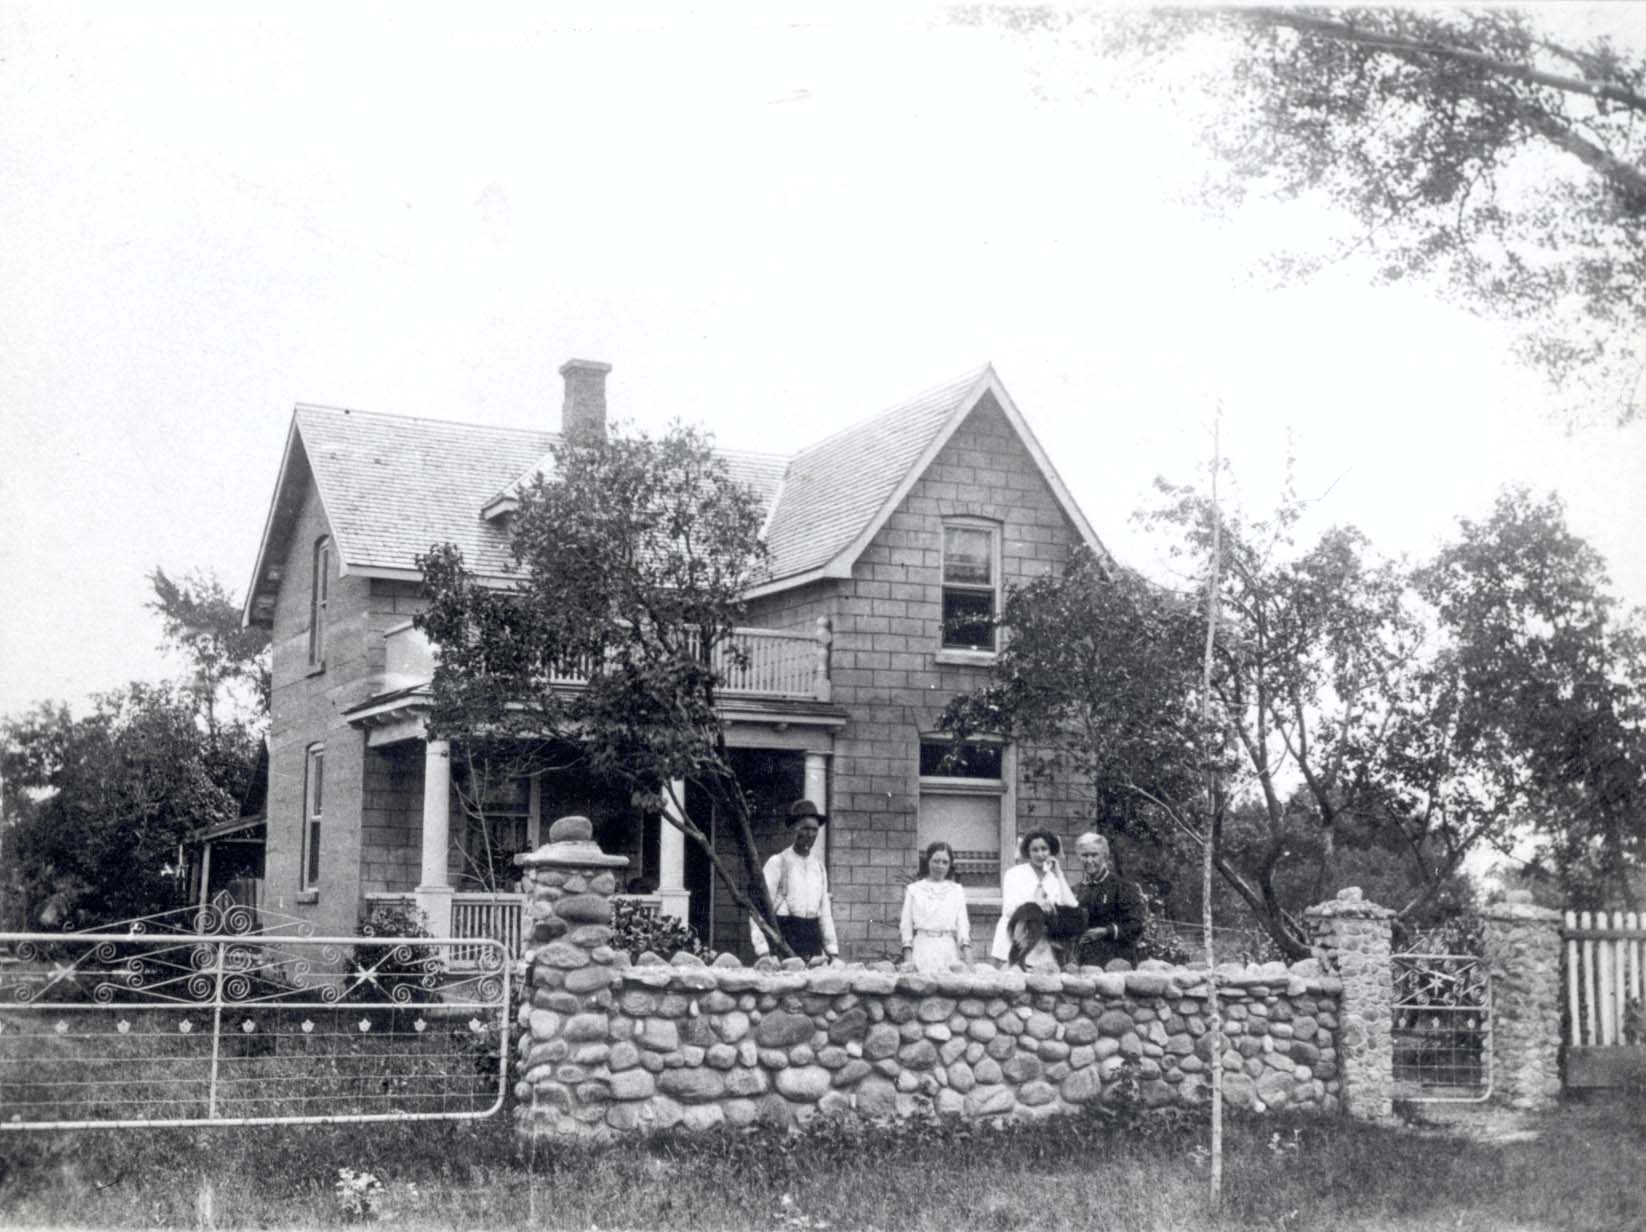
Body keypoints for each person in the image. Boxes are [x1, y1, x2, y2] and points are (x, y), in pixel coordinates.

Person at [749, 799, 840, 963]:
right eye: (805, 828)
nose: (810, 835)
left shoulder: (819, 867)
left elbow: (825, 913)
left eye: (814, 830)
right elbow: (758, 909)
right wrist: (763, 951)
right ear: (793, 829)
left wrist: (832, 951)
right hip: (784, 939)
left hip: (812, 942)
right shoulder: (778, 863)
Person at [990, 829, 1078, 968]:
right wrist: (1037, 906)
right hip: (1015, 938)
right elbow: (1009, 909)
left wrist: (1059, 872)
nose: (1040, 854)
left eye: (1044, 849)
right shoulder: (1014, 874)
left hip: (1041, 944)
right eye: (1035, 850)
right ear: (1028, 852)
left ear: (1051, 851)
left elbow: (1071, 905)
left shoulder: (1053, 879)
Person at [1072, 831, 1146, 968]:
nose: (1089, 860)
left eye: (1094, 855)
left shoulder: (1123, 887)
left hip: (1116, 962)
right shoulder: (1077, 890)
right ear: (1079, 857)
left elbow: (1136, 926)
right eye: (1085, 855)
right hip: (1085, 964)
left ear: (1105, 855)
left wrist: (1106, 931)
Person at [899, 841, 973, 972]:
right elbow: (906, 926)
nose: (940, 866)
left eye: (945, 862)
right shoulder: (914, 889)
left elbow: (963, 925)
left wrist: (970, 963)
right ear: (928, 861)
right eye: (936, 861)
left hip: (948, 949)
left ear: (950, 865)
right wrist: (909, 962)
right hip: (922, 948)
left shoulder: (956, 890)